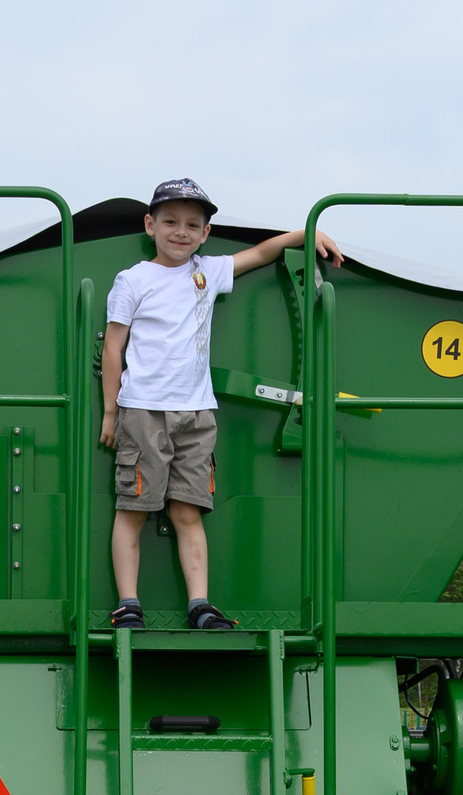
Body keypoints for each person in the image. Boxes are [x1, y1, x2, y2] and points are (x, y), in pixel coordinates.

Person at [100, 178, 343, 630]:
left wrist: (306, 234)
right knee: (133, 508)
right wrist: (111, 412)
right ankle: (128, 604)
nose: (181, 232)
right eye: (170, 222)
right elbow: (114, 346)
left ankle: (200, 605)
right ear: (150, 225)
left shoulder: (207, 273)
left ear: (206, 233)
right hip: (144, 410)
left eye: (193, 225)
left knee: (188, 511)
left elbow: (260, 254)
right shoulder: (133, 279)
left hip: (196, 413)